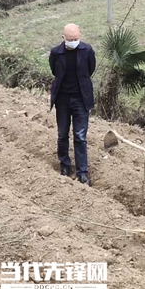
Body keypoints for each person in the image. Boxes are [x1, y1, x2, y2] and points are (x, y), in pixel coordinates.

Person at [48, 23, 96, 185]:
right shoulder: (56, 52)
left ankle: (82, 172)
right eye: (70, 39)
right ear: (64, 38)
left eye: (75, 39)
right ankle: (65, 166)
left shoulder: (87, 50)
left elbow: (90, 69)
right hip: (62, 99)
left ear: (80, 37)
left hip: (81, 99)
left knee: (80, 136)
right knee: (62, 134)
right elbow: (54, 71)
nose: (73, 41)